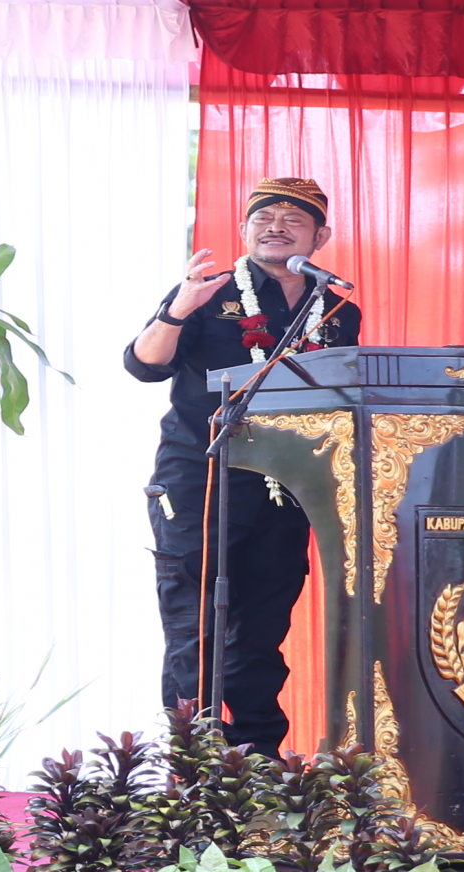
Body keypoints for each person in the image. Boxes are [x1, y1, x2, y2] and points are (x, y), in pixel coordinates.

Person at [124, 178, 362, 758]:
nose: (276, 227)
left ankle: (257, 757)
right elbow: (143, 364)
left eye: (293, 219)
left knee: (262, 623)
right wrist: (177, 310)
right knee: (195, 621)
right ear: (243, 230)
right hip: (202, 476)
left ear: (321, 237)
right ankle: (197, 760)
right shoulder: (208, 293)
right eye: (263, 218)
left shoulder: (337, 309)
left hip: (288, 483)